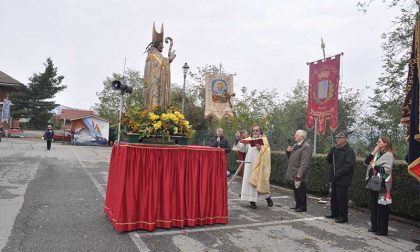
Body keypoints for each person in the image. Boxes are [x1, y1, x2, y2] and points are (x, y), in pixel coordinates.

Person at [234, 125, 272, 209]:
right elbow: (240, 148)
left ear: (260, 132)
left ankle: (268, 198)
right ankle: (252, 201)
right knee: (250, 183)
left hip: (259, 165)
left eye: (257, 130)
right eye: (254, 130)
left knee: (260, 182)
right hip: (249, 165)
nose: (255, 132)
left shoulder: (264, 140)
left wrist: (260, 148)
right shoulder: (248, 140)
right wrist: (237, 139)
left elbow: (267, 151)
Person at [364, 137, 395, 236]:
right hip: (374, 182)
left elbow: (387, 170)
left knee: (382, 206)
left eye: (379, 142)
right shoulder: (377, 154)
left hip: (383, 183)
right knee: (373, 205)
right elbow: (366, 162)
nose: (377, 143)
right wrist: (373, 151)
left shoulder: (389, 155)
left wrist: (376, 167)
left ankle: (382, 230)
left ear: (385, 144)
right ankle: (374, 226)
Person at [143, 22, 176, 111]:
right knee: (155, 106)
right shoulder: (154, 55)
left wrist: (168, 60)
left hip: (153, 86)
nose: (163, 47)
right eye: (162, 44)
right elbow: (162, 63)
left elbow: (163, 63)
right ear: (158, 44)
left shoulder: (152, 54)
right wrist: (171, 58)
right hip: (155, 87)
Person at [326, 130, 356, 223]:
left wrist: (338, 174)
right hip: (335, 178)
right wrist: (331, 152)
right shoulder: (336, 149)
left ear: (345, 139)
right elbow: (329, 160)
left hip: (343, 179)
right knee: (334, 197)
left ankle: (343, 216)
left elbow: (349, 166)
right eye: (336, 138)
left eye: (339, 138)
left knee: (342, 198)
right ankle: (334, 213)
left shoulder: (349, 151)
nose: (337, 140)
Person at [285, 130, 312, 212]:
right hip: (293, 172)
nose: (294, 136)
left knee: (301, 190)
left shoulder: (306, 147)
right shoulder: (296, 145)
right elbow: (290, 158)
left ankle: (302, 207)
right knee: (296, 190)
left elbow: (305, 163)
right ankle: (298, 205)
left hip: (299, 173)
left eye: (296, 135)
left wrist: (299, 174)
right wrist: (288, 152)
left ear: (302, 137)